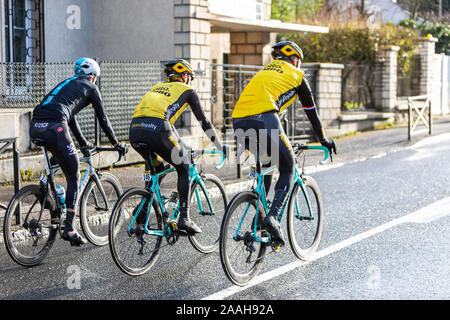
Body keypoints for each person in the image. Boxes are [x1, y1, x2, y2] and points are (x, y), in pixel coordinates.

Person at [232, 41, 337, 246]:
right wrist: (324, 139)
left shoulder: (264, 72)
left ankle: (260, 220)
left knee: (268, 165)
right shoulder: (298, 76)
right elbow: (311, 112)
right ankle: (273, 218)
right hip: (264, 120)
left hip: (239, 122)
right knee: (288, 166)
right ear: (295, 59)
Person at [30, 57, 127, 246]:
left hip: (36, 126)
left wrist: (83, 143)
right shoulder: (91, 88)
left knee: (60, 155)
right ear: (93, 77)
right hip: (55, 126)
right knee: (74, 173)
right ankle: (68, 227)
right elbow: (103, 119)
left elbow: (71, 117)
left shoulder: (68, 84)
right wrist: (116, 143)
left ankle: (49, 187)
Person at [129, 59, 229, 235]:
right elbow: (204, 122)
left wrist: (183, 145)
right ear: (184, 76)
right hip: (158, 129)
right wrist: (219, 145)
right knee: (185, 166)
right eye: (188, 77)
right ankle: (184, 217)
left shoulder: (156, 89)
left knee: (157, 167)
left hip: (135, 130)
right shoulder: (187, 90)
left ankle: (143, 210)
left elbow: (166, 123)